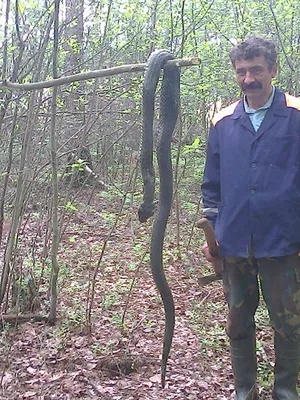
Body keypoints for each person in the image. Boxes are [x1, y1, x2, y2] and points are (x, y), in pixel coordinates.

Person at [201, 36, 300, 400]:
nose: (248, 79)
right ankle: (246, 391)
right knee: (238, 322)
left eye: (256, 69)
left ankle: (285, 391)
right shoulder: (223, 122)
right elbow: (212, 185)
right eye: (241, 71)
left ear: (273, 69)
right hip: (235, 243)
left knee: (289, 324)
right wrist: (212, 232)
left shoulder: (296, 116)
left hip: (285, 243)